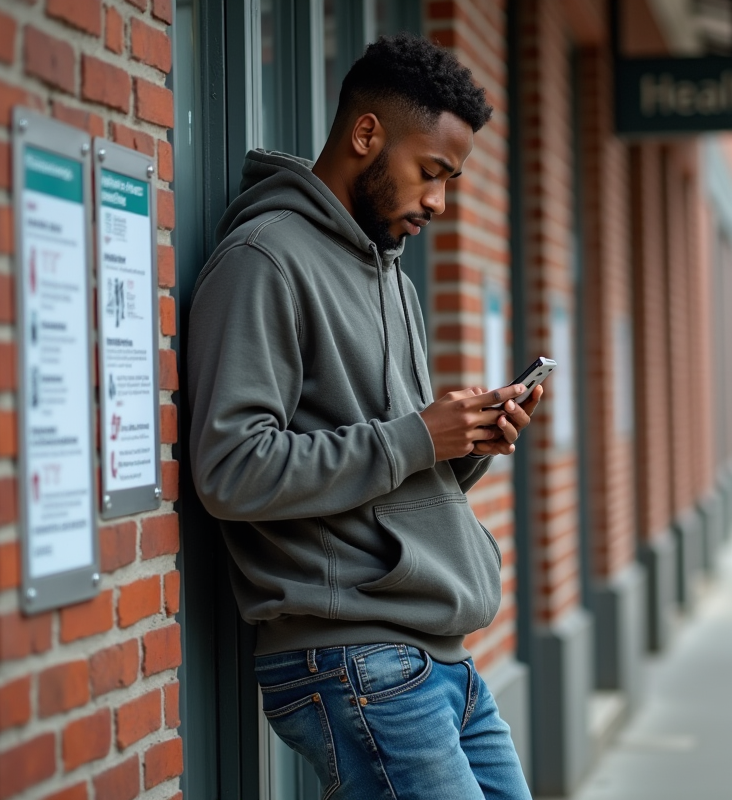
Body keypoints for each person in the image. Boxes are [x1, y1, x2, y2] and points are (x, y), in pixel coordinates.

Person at [186, 35, 537, 799]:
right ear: (367, 134)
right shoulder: (264, 260)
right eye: (432, 173)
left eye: (450, 180)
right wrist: (418, 435)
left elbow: (388, 462)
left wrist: (466, 441)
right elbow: (231, 469)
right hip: (356, 656)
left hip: (438, 655)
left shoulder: (392, 278)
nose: (439, 202)